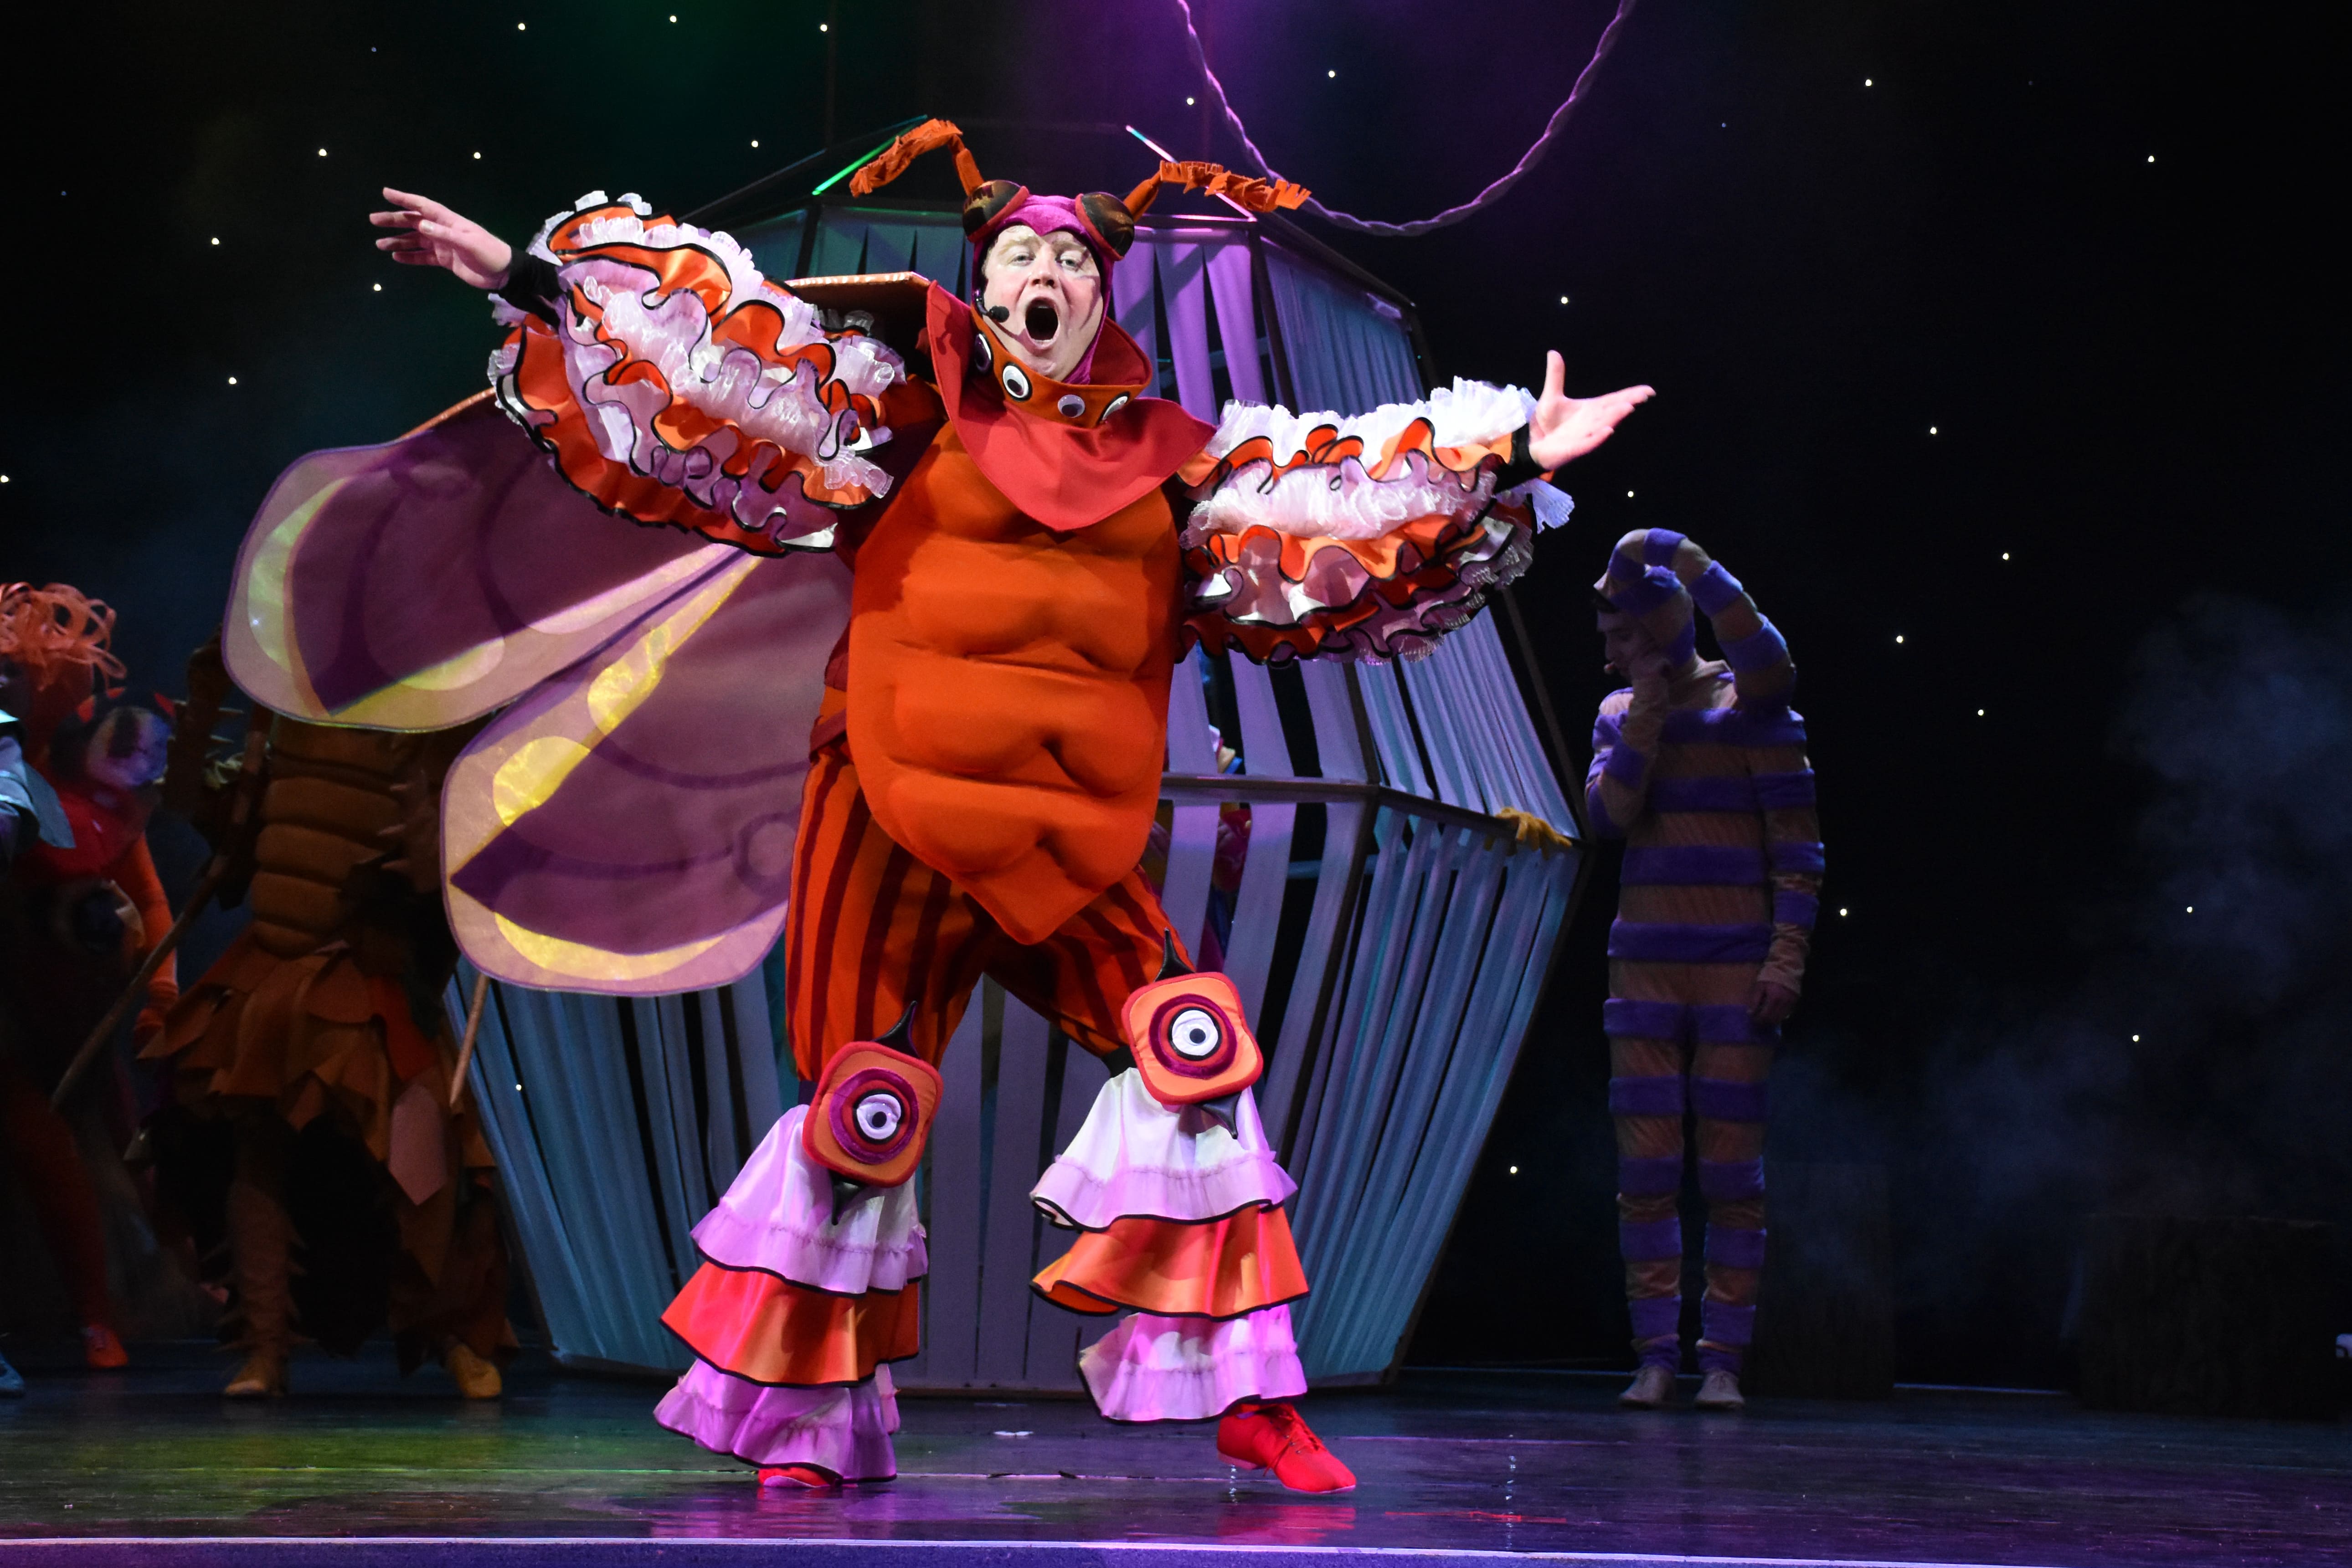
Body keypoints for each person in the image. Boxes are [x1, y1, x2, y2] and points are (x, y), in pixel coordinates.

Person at [227, 118, 1647, 1490]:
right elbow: (709, 379)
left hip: (1070, 843)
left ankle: (1253, 1405)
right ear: (986, 284)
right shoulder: (896, 423)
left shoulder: (1176, 472)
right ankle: (806, 1429)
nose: (1045, 280)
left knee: (1194, 1057)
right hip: (893, 820)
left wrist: (1513, 453)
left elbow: (1332, 511)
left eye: (1072, 264)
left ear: (1103, 295)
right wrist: (525, 277)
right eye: (1021, 262)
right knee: (863, 1114)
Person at [143, 638, 513, 1398]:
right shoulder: (283, 704)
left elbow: (445, 863)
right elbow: (214, 817)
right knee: (258, 1150)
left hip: (366, 967)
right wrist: (204, 703)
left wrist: (429, 822)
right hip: (273, 968)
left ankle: (451, 1336)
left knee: (422, 1155)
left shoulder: (436, 711)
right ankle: (265, 1349)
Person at [1585, 529, 1822, 1412]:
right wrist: (1646, 707)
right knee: (1645, 1173)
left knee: (1730, 1175)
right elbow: (1608, 815)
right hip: (1643, 969)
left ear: (1660, 627)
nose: (1610, 652)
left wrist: (1785, 958)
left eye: (1623, 634)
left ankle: (1721, 1358)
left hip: (1733, 968)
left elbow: (1798, 851)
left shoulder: (1747, 704)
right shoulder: (1619, 712)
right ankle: (1655, 1354)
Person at [0, 582, 172, 1375]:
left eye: (17, 674)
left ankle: (106, 1310)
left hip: (77, 1008)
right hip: (16, 1004)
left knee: (116, 1151)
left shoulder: (89, 797)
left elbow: (149, 897)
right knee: (45, 1148)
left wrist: (162, 991)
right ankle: (91, 1315)